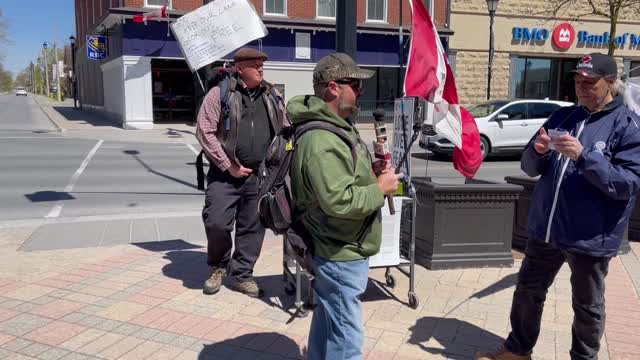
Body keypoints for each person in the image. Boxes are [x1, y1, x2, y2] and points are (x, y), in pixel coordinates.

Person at [477, 53, 640, 360]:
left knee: (587, 306)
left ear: (610, 84)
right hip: (546, 229)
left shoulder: (628, 126)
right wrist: (538, 152)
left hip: (590, 236)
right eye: (578, 81)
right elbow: (529, 166)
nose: (581, 88)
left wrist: (585, 157)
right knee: (527, 291)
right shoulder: (563, 117)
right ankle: (517, 350)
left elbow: (627, 184)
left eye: (589, 83)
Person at [287, 53, 402, 360]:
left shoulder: (336, 127)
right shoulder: (322, 139)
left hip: (339, 245)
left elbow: (344, 181)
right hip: (339, 249)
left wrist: (372, 171)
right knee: (347, 340)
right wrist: (379, 189)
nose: (361, 91)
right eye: (356, 84)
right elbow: (339, 201)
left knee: (329, 320)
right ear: (334, 88)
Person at [196, 47, 288, 298]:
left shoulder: (273, 94)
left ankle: (242, 275)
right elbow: (205, 132)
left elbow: (286, 125)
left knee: (252, 227)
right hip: (224, 175)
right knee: (216, 222)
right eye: (254, 64)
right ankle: (218, 266)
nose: (260, 68)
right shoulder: (219, 94)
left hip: (259, 175)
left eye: (262, 64)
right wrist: (230, 166)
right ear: (239, 68)